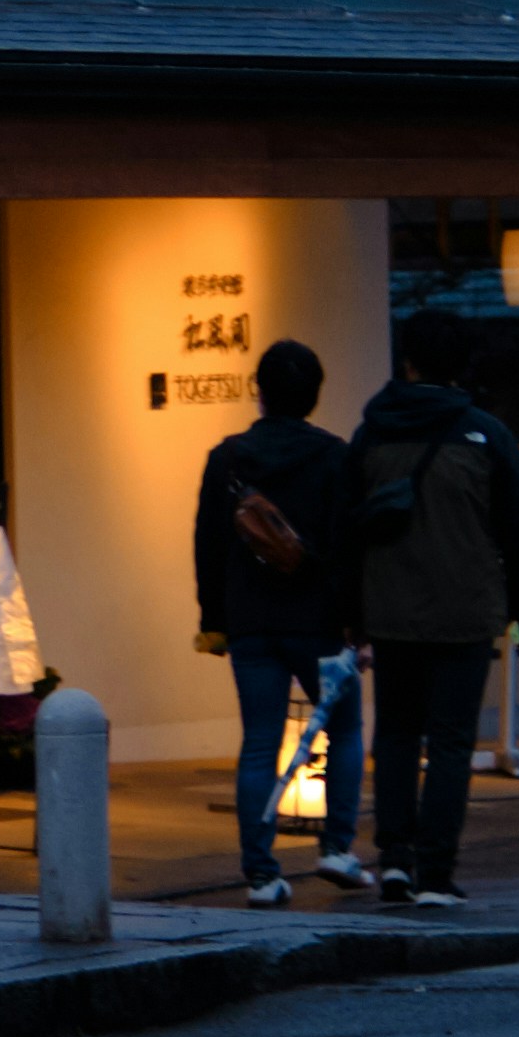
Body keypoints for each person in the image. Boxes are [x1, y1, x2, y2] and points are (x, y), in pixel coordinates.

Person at [348, 356, 519, 911]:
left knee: (396, 737)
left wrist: (353, 615)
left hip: (389, 610)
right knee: (452, 743)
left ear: (407, 364)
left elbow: (349, 527)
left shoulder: (372, 433)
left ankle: (393, 862)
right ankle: (435, 873)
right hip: (465, 612)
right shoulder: (486, 434)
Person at [191, 340, 367, 905]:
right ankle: (336, 848)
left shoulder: (228, 458)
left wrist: (214, 619)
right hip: (318, 622)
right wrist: (354, 622)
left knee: (260, 741)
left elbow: (208, 544)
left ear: (258, 390)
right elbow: (348, 547)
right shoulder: (335, 457)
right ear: (315, 395)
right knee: (343, 729)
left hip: (252, 622)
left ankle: (262, 874)